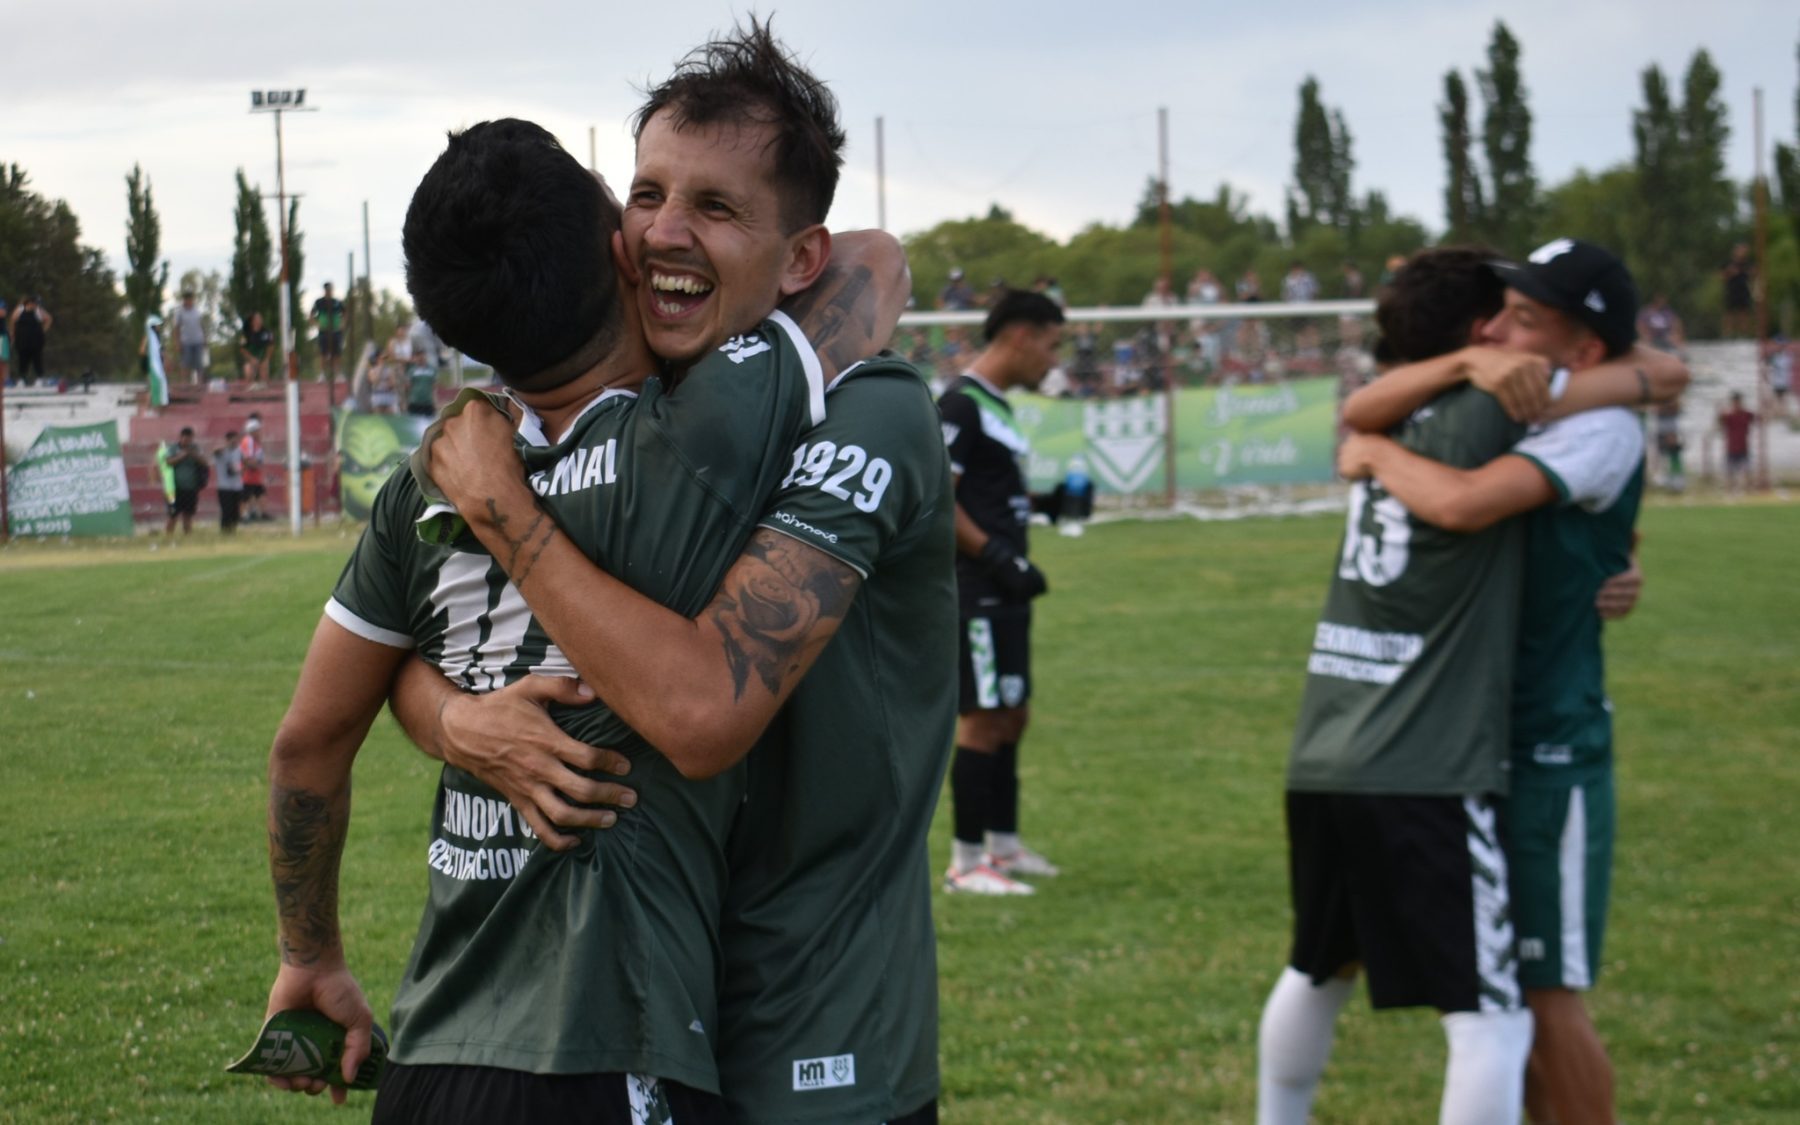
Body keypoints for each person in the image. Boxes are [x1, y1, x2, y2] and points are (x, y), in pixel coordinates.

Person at [263, 112, 909, 1123]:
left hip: (434, 1064)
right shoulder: (706, 436)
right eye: (644, 202)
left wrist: (310, 957)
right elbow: (871, 265)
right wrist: (454, 719)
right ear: (620, 245)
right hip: (617, 1055)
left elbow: (308, 744)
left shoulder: (427, 482)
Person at [1333, 237, 1686, 1125]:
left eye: (1525, 317)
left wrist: (1373, 455)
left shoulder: (1596, 422)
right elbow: (1364, 409)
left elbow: (1461, 503)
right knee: (1513, 1002)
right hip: (1478, 739)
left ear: (1584, 348)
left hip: (1550, 744)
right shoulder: (1527, 394)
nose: (1497, 327)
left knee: (1549, 995)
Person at [1257, 246, 1537, 1125]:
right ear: (1487, 329)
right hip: (1426, 761)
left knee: (1319, 966)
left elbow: (1362, 415)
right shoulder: (1486, 411)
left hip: (1328, 749)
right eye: (1515, 314)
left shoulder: (1387, 420)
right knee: (1493, 1018)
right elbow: (1635, 382)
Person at [935, 289, 1065, 895]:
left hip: (1003, 585)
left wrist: (1048, 505)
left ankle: (1004, 849)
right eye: (1051, 343)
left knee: (1012, 713)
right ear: (1019, 335)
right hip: (977, 589)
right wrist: (993, 554)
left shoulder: (996, 407)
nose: (1053, 359)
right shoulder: (960, 405)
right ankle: (966, 864)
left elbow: (989, 493)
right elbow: (941, 499)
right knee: (983, 720)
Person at [162, 426, 207, 535]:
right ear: (181, 437)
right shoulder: (173, 448)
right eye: (185, 438)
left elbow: (205, 462)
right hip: (174, 488)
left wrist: (192, 454)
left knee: (188, 515)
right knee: (173, 515)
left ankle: (188, 536)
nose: (188, 441)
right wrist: (183, 455)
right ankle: (168, 537)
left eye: (190, 439)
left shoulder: (196, 448)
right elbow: (168, 462)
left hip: (191, 488)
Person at [10, 295, 53, 381]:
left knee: (37, 359)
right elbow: (13, 320)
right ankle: (22, 378)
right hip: (22, 340)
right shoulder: (20, 310)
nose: (36, 305)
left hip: (36, 340)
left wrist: (43, 330)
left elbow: (49, 319)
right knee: (22, 359)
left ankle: (40, 378)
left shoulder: (38, 311)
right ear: (30, 303)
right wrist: (13, 334)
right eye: (35, 304)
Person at [1719, 391, 1755, 492]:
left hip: (1743, 448)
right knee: (1730, 473)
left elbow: (1760, 418)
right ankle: (1730, 491)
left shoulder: (1746, 414)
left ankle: (1747, 491)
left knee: (1747, 472)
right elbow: (1719, 423)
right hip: (1731, 448)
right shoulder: (1728, 416)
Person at [311, 282, 347, 383]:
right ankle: (322, 374)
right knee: (323, 353)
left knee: (337, 353)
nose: (329, 291)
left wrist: (343, 324)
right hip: (323, 331)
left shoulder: (337, 302)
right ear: (325, 290)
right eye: (327, 289)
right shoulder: (319, 302)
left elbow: (345, 313)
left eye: (330, 289)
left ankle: (338, 374)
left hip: (336, 331)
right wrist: (316, 324)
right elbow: (311, 315)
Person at [1720, 243, 1754, 338]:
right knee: (1729, 313)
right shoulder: (1728, 263)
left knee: (1744, 313)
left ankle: (1744, 335)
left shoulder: (1748, 264)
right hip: (1732, 291)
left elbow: (1753, 275)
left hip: (1744, 291)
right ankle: (1727, 335)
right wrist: (1730, 273)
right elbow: (1721, 276)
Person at [214, 428, 244, 533]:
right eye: (233, 440)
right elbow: (215, 450)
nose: (236, 442)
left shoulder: (239, 451)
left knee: (235, 512)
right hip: (224, 487)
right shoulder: (222, 451)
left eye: (237, 440)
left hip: (237, 486)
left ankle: (233, 531)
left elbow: (243, 462)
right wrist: (228, 445)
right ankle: (225, 531)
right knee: (226, 511)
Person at [174, 291, 207, 383]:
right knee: (185, 364)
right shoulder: (179, 312)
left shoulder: (197, 311)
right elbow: (176, 328)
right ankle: (184, 384)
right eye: (186, 299)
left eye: (190, 299)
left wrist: (205, 339)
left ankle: (200, 383)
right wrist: (177, 343)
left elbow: (201, 325)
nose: (188, 301)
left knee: (199, 364)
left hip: (198, 341)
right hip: (186, 342)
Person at [239, 415, 268, 522]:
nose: (260, 432)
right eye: (258, 430)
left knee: (260, 493)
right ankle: (242, 515)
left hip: (254, 475)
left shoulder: (255, 442)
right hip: (247, 474)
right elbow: (248, 458)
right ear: (252, 431)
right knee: (245, 497)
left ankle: (262, 513)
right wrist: (257, 465)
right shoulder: (249, 441)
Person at [240, 312, 274, 384]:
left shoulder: (268, 332)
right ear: (252, 322)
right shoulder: (245, 334)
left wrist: (267, 359)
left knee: (264, 379)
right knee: (248, 370)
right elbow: (242, 349)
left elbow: (271, 346)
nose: (260, 320)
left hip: (263, 359)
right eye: (257, 318)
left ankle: (264, 385)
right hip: (251, 360)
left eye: (260, 318)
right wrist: (251, 359)